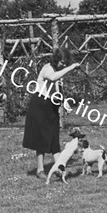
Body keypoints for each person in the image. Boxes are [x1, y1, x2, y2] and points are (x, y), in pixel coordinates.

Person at [22, 48, 80, 179]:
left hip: (51, 106)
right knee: (42, 138)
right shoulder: (47, 68)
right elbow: (53, 79)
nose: (63, 65)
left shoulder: (59, 72)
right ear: (56, 59)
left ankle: (59, 168)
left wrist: (64, 102)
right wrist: (70, 68)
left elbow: (57, 91)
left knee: (54, 138)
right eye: (62, 62)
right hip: (40, 105)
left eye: (65, 63)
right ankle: (40, 170)